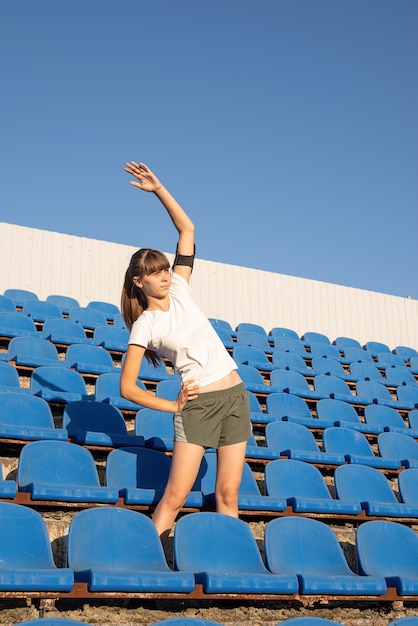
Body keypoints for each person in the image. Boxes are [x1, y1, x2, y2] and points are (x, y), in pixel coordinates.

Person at [120, 161, 253, 541]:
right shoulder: (146, 324)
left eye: (164, 268)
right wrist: (174, 407)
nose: (164, 275)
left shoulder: (180, 286)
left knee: (228, 494)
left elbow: (187, 229)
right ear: (138, 281)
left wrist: (158, 189)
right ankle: (145, 562)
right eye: (155, 271)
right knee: (176, 496)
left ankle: (231, 566)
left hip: (235, 397)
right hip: (198, 405)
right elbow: (127, 388)